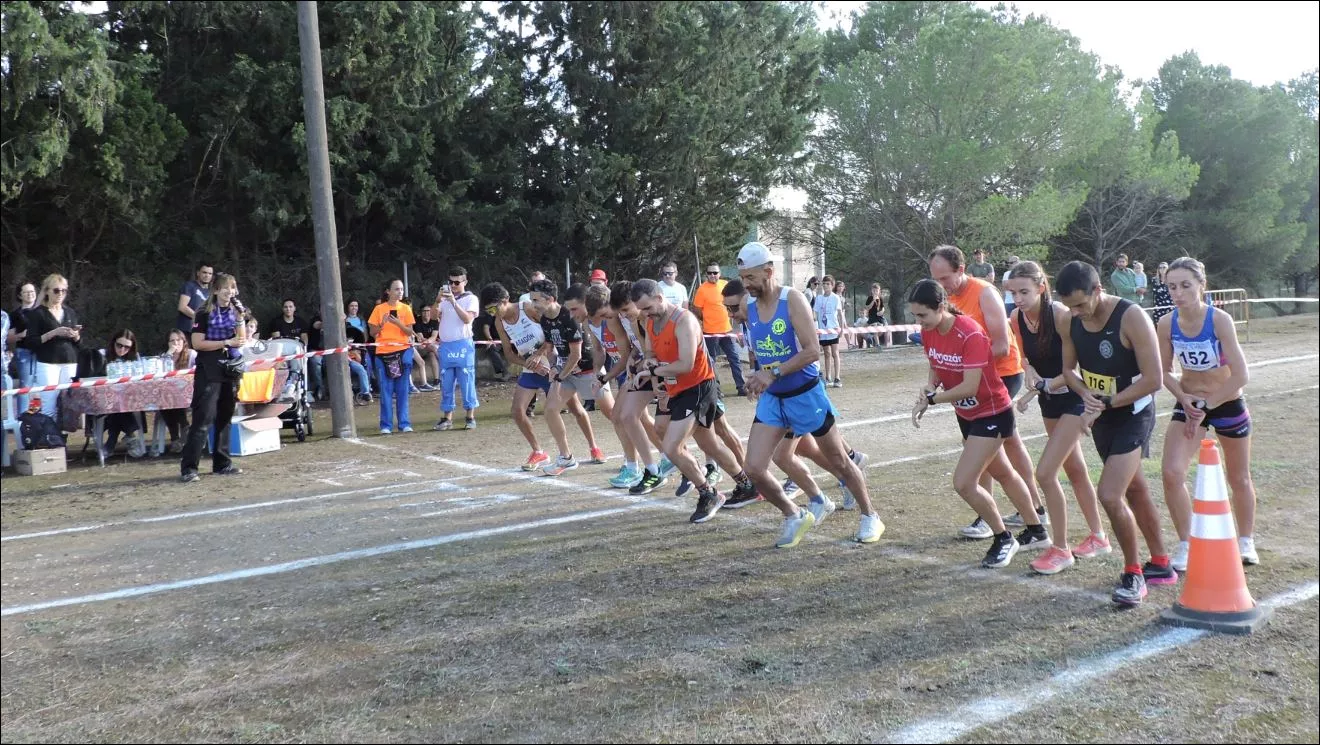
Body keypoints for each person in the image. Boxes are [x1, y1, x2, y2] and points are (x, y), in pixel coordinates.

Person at [735, 242, 885, 544]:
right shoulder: (746, 306)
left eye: (751, 278)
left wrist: (772, 372)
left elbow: (813, 351)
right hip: (773, 400)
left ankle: (871, 516)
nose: (746, 285)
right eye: (743, 278)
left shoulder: (793, 300)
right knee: (753, 468)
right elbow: (762, 349)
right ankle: (794, 514)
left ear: (768, 271)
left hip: (806, 393)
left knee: (840, 460)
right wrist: (758, 376)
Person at [1057, 260, 1176, 606]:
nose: (1076, 312)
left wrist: (1108, 403)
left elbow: (1154, 380)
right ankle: (1162, 564)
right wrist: (1086, 395)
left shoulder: (1131, 316)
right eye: (1069, 306)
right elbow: (1068, 370)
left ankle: (1133, 572)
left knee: (1110, 494)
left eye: (1081, 304)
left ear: (1098, 290)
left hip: (1134, 412)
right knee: (1135, 488)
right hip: (1103, 412)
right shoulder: (1070, 319)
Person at [909, 279, 1047, 568]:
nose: (919, 322)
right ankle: (1037, 531)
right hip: (967, 415)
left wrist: (934, 400)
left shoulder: (970, 333)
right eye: (915, 316)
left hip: (992, 412)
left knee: (964, 482)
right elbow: (936, 362)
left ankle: (1003, 536)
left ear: (942, 307)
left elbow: (971, 387)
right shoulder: (929, 330)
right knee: (1005, 474)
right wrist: (929, 386)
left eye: (923, 315)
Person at [928, 246, 1045, 538]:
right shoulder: (943, 300)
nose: (940, 285)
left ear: (961, 269)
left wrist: (966, 367)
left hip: (1002, 374)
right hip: (972, 378)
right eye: (935, 279)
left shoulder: (984, 293)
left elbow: (1002, 346)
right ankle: (1010, 511)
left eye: (944, 278)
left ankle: (1030, 509)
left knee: (997, 446)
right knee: (992, 449)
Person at [1005, 261, 1110, 575]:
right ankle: (1099, 536)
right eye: (1013, 293)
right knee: (1074, 468)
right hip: (1049, 402)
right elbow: (1025, 357)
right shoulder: (1015, 317)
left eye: (1025, 291)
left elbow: (1074, 369)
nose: (1019, 299)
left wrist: (1048, 383)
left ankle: (1061, 548)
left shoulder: (1062, 316)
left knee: (1046, 472)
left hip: (1074, 399)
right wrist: (1031, 376)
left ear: (1041, 288)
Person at [1158, 256, 1259, 569]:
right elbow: (1162, 371)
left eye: (1186, 285)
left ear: (1202, 286)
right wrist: (1185, 399)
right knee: (1172, 472)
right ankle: (1188, 543)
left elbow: (1241, 375)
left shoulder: (1219, 320)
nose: (1178, 293)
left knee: (1238, 477)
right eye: (1172, 286)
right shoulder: (1166, 323)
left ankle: (1245, 541)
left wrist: (1209, 404)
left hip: (1226, 402)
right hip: (1190, 405)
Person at [630, 279, 758, 524]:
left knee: (672, 447)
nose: (645, 314)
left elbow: (686, 364)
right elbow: (650, 352)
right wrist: (648, 362)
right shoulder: (649, 320)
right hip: (677, 389)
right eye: (641, 310)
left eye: (647, 308)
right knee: (710, 444)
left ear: (659, 297)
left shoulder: (683, 320)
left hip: (699, 387)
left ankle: (708, 493)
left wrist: (653, 372)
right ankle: (746, 484)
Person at [529, 279, 605, 474]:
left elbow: (576, 354)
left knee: (614, 415)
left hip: (588, 370)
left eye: (536, 300)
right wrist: (553, 366)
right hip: (567, 371)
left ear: (551, 299)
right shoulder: (545, 319)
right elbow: (550, 346)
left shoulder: (568, 316)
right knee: (551, 409)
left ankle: (602, 449)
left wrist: (558, 376)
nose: (533, 304)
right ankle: (566, 457)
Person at [179, 272, 246, 482]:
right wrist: (225, 343)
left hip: (230, 368)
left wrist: (240, 318)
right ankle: (189, 468)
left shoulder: (236, 312)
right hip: (209, 367)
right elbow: (197, 343)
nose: (230, 292)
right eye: (226, 288)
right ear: (216, 290)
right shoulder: (204, 312)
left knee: (225, 417)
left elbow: (241, 339)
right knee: (203, 418)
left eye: (233, 288)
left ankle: (222, 463)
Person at [608, 281, 671, 495]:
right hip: (646, 372)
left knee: (706, 429)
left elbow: (656, 352)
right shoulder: (632, 320)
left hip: (668, 371)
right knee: (627, 416)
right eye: (620, 313)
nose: (623, 316)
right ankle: (652, 469)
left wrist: (654, 378)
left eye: (626, 310)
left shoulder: (648, 316)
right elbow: (642, 350)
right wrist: (632, 362)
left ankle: (706, 467)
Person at [487, 282, 555, 470]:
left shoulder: (527, 308)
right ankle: (539, 452)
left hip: (551, 362)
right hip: (531, 368)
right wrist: (530, 364)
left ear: (505, 301)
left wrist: (539, 355)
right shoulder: (498, 322)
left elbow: (551, 334)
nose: (492, 312)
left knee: (573, 409)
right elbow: (509, 354)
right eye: (488, 310)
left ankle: (593, 447)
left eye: (494, 308)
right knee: (517, 410)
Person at [22, 274, 82, 418]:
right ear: (47, 291)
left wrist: (76, 336)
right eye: (56, 290)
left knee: (68, 402)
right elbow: (30, 341)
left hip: (69, 361)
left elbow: (78, 343)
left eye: (64, 291)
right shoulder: (37, 314)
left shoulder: (70, 312)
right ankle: (50, 436)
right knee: (49, 402)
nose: (60, 294)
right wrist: (53, 333)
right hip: (48, 363)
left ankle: (62, 435)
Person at [433, 267, 480, 430]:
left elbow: (467, 319)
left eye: (456, 282)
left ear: (465, 282)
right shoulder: (444, 300)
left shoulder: (471, 299)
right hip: (446, 345)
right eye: (450, 282)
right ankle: (447, 417)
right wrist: (438, 300)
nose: (453, 285)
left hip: (463, 344)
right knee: (446, 381)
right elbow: (433, 316)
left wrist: (453, 302)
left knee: (466, 379)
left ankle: (470, 416)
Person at [690, 264, 747, 397]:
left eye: (715, 273)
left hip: (727, 330)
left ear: (719, 273)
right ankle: (716, 389)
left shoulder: (724, 285)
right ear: (706, 274)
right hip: (710, 332)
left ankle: (741, 386)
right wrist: (707, 321)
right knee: (711, 361)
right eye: (709, 273)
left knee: (735, 358)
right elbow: (697, 310)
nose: (712, 275)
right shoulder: (702, 290)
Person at [368, 279, 416, 434]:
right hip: (383, 353)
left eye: (401, 289)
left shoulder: (406, 308)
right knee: (386, 390)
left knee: (402, 389)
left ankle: (404, 423)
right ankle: (386, 425)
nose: (400, 292)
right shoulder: (379, 309)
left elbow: (409, 332)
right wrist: (381, 325)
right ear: (388, 291)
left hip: (402, 351)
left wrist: (398, 324)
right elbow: (372, 333)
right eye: (396, 289)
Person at [97, 329, 148, 458]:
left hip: (128, 399)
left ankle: (111, 443)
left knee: (122, 404)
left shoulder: (135, 358)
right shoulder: (102, 355)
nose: (122, 349)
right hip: (103, 399)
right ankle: (130, 434)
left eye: (127, 347)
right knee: (118, 405)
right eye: (119, 345)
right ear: (113, 343)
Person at [160, 329, 196, 453]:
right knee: (164, 401)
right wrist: (169, 354)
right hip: (170, 395)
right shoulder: (166, 357)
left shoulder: (192, 354)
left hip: (190, 394)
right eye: (172, 341)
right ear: (168, 343)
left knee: (174, 398)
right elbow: (160, 373)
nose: (176, 343)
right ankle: (176, 438)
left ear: (184, 341)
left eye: (178, 340)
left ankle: (184, 427)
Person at [8, 282, 39, 413]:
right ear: (20, 295)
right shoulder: (15, 314)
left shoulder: (42, 311)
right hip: (25, 353)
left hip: (43, 353)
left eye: (32, 291)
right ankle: (24, 420)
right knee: (26, 386)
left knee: (40, 387)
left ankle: (36, 418)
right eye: (27, 292)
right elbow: (9, 337)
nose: (30, 294)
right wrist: (22, 335)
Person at [813, 275, 845, 387]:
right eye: (824, 284)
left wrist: (842, 329)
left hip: (834, 329)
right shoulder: (819, 298)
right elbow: (815, 314)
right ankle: (828, 378)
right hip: (823, 330)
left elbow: (840, 314)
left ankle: (837, 378)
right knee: (826, 353)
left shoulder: (835, 298)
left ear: (832, 286)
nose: (825, 286)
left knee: (835, 353)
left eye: (828, 284)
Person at [176, 262, 214, 338]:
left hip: (202, 332)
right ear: (198, 273)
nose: (207, 275)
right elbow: (182, 307)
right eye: (204, 272)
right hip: (186, 330)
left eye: (210, 273)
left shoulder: (210, 292)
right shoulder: (189, 286)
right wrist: (200, 319)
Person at [411, 305, 440, 391]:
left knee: (432, 355)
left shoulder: (435, 321)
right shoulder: (417, 321)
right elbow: (420, 338)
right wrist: (428, 343)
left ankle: (436, 381)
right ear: (421, 312)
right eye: (424, 311)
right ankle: (445, 362)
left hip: (428, 346)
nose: (426, 313)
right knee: (433, 348)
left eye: (428, 311)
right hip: (418, 347)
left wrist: (428, 342)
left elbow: (434, 336)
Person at [863, 283, 892, 348]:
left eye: (877, 291)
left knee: (887, 328)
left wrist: (882, 311)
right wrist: (873, 301)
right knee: (874, 329)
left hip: (880, 317)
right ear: (871, 291)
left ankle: (887, 344)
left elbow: (883, 307)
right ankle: (877, 344)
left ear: (879, 291)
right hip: (872, 317)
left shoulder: (880, 298)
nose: (875, 292)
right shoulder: (870, 298)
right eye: (874, 291)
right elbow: (868, 307)